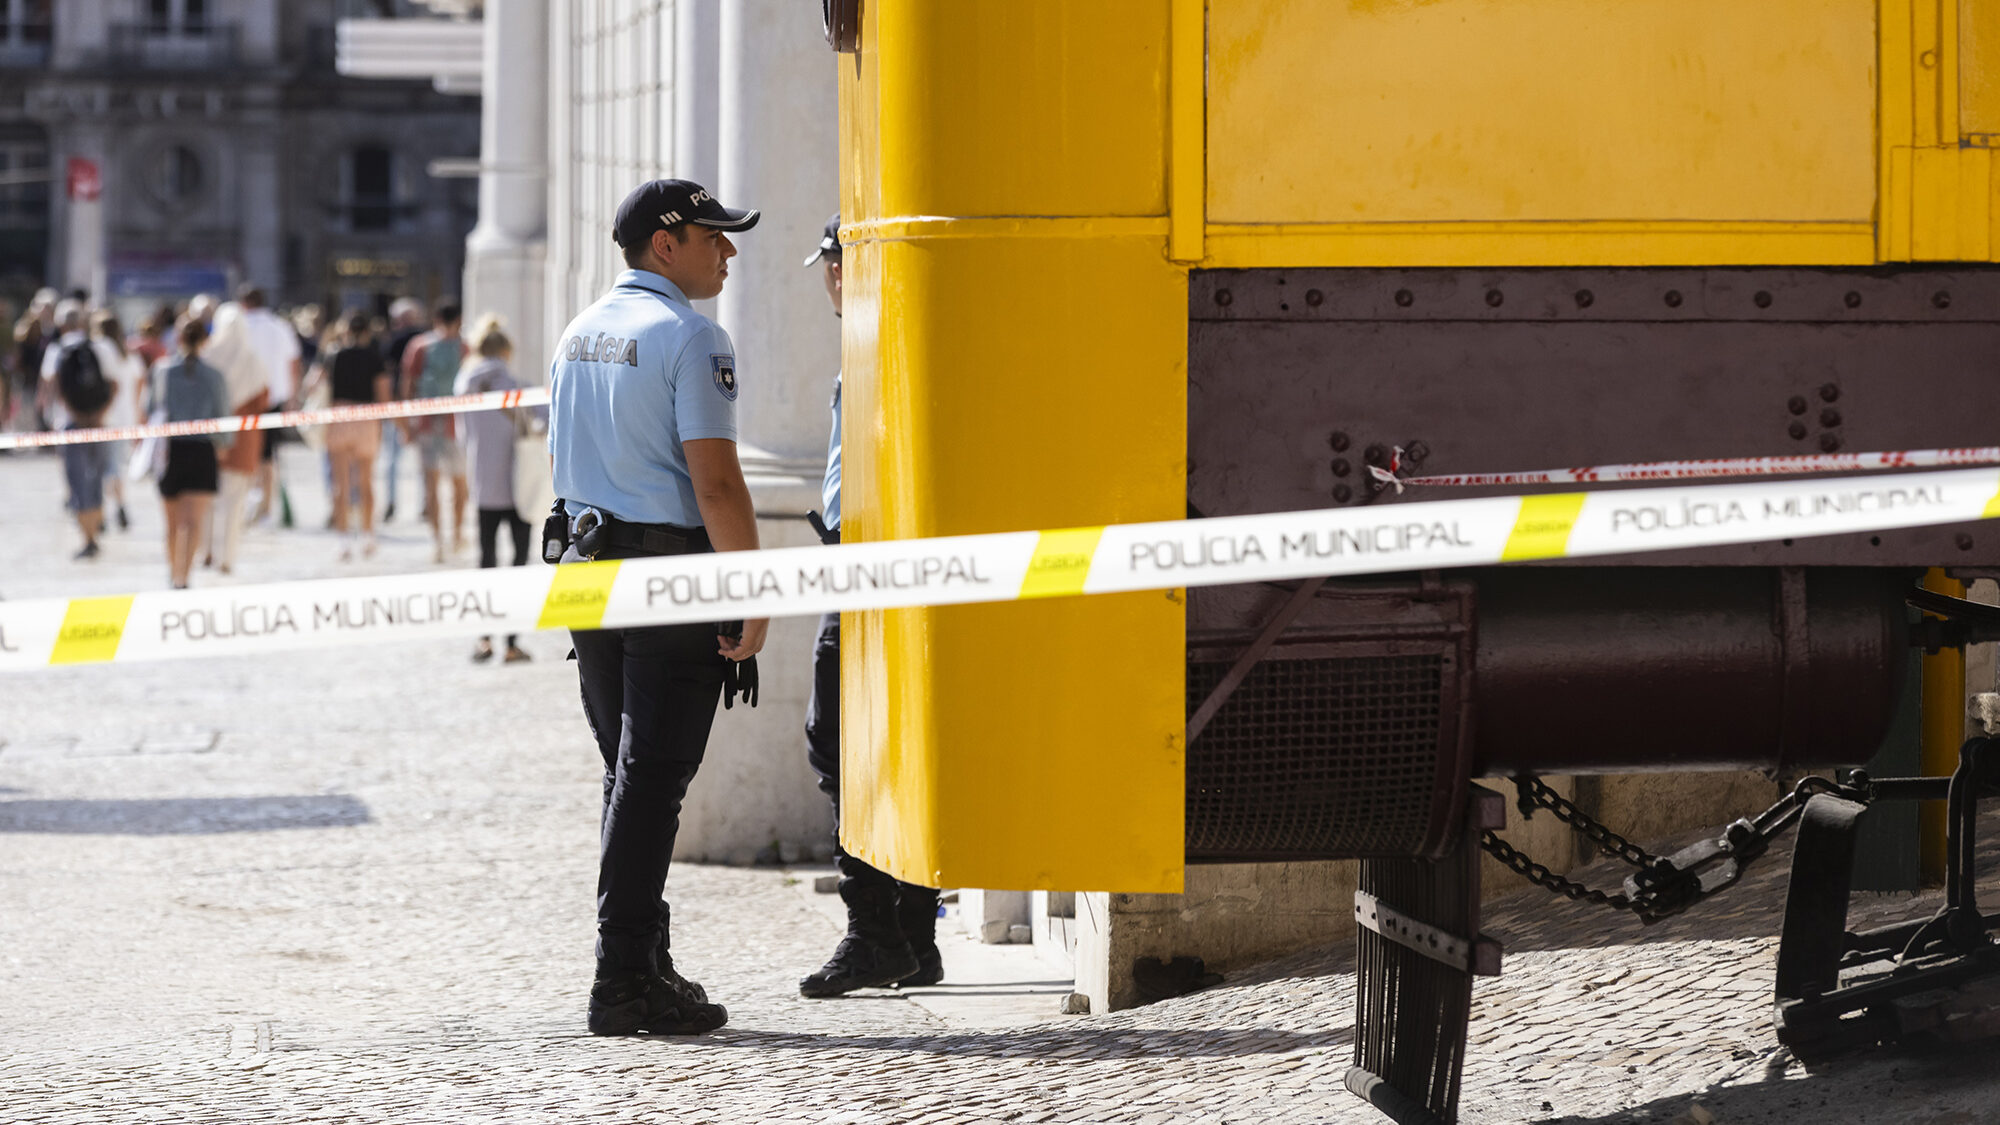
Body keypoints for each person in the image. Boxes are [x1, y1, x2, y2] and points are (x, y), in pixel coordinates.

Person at [548, 178, 764, 1036]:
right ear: (666, 243)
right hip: (665, 578)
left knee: (627, 775)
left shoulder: (578, 332)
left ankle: (643, 960)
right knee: (651, 779)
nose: (729, 251)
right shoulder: (690, 335)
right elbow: (715, 480)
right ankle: (625, 974)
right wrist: (752, 587)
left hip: (582, 564)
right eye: (715, 234)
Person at [794, 214, 945, 998]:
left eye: (829, 263)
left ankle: (875, 931)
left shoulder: (879, 343)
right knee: (888, 742)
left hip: (869, 564)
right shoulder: (881, 338)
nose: (824, 278)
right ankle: (913, 933)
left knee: (840, 742)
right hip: (875, 559)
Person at [455, 314, 540, 664]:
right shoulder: (519, 386)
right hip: (521, 486)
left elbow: (463, 436)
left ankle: (484, 638)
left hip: (484, 483)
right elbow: (543, 426)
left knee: (486, 562)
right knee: (518, 563)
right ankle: (512, 643)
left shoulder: (463, 386)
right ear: (506, 351)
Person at [149, 317, 231, 588]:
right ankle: (185, 577)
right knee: (193, 522)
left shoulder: (163, 371)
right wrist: (222, 446)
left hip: (171, 448)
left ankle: (174, 574)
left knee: (172, 524)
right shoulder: (214, 375)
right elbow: (222, 415)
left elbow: (151, 407)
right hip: (201, 449)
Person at [38, 300, 121, 559]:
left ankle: (88, 538)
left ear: (62, 324)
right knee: (96, 479)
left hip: (71, 425)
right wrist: (97, 415)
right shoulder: (101, 348)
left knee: (76, 483)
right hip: (99, 424)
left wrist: (64, 416)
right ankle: (95, 528)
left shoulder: (57, 350)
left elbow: (52, 388)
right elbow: (114, 385)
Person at [305, 312, 391, 561]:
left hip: (339, 418)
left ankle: (343, 541)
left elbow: (311, 384)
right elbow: (384, 394)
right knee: (366, 482)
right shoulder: (374, 357)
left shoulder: (332, 354)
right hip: (366, 417)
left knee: (340, 484)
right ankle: (368, 536)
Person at [196, 296, 270, 575]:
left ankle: (205, 552)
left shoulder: (208, 355)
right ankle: (225, 558)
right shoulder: (252, 359)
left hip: (210, 437)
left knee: (207, 498)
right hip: (242, 439)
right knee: (234, 502)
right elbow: (263, 399)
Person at [401, 302, 468, 562]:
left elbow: (408, 384)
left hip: (428, 422)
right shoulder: (464, 347)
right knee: (458, 483)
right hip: (456, 423)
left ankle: (438, 540)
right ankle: (457, 535)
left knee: (432, 484)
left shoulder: (419, 346)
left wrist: (407, 425)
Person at [237, 286, 302, 526]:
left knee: (248, 454)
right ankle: (266, 508)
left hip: (243, 400)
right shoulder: (280, 327)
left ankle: (250, 506)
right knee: (269, 456)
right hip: (273, 399)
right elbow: (293, 363)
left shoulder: (240, 327)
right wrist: (293, 398)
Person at [90, 310, 143, 533]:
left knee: (101, 469)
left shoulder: (100, 349)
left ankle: (102, 512)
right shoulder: (129, 356)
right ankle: (120, 505)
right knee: (116, 467)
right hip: (126, 418)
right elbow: (139, 387)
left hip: (105, 417)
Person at [380, 298, 426, 522]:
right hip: (421, 404)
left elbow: (390, 377)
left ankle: (392, 502)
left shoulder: (397, 341)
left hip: (402, 403)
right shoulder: (425, 339)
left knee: (393, 459)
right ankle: (424, 503)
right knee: (421, 458)